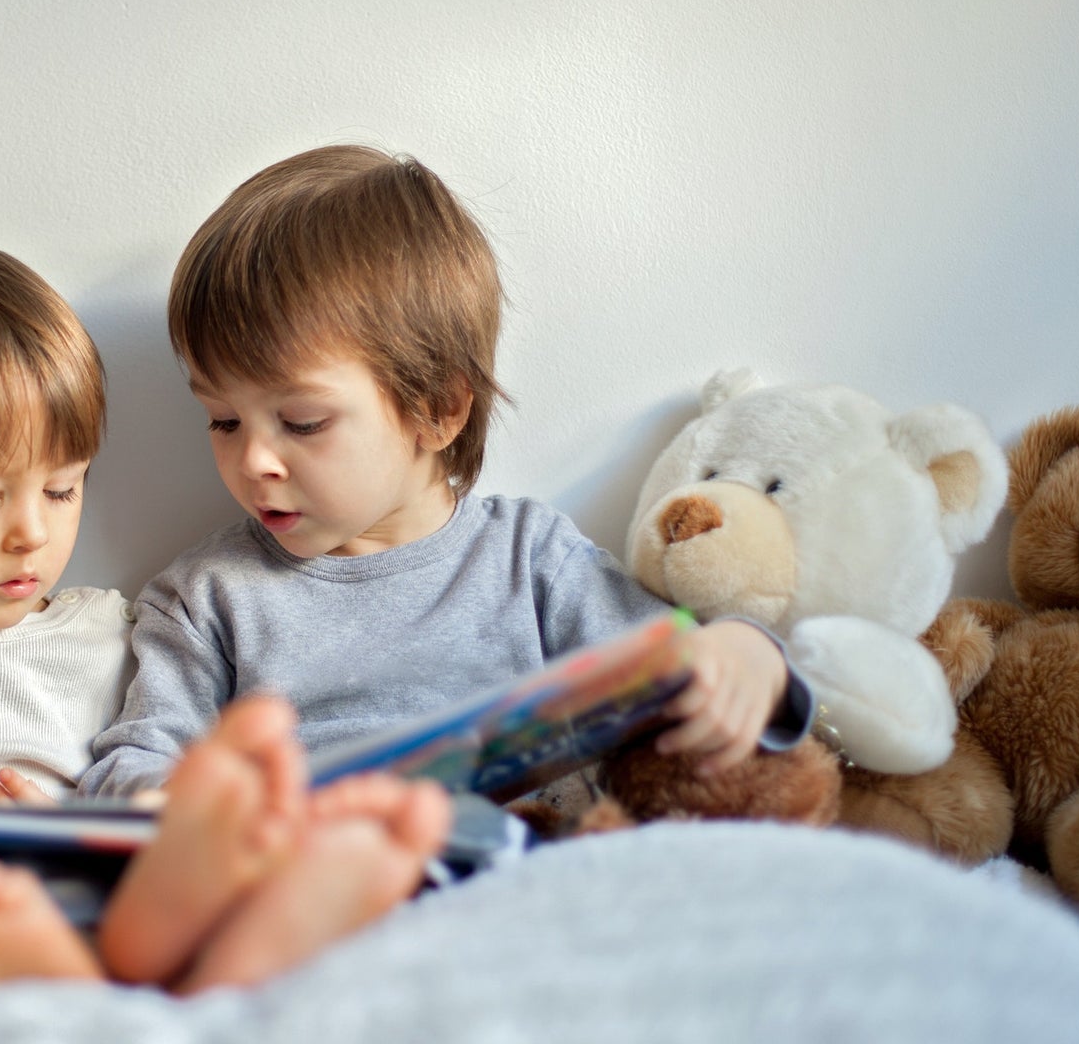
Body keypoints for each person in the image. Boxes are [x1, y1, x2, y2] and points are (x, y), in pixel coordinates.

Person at [0, 242, 453, 992]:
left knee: (131, 886)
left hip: (53, 889)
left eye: (62, 491)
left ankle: (204, 951)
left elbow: (139, 784)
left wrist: (70, 830)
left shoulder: (110, 637)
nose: (32, 534)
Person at [77, 145, 813, 801]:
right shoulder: (207, 598)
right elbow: (137, 758)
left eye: (302, 423)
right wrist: (171, 802)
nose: (253, 461)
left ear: (436, 410)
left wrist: (748, 653)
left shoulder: (530, 562)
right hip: (317, 892)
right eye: (223, 420)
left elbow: (675, 668)